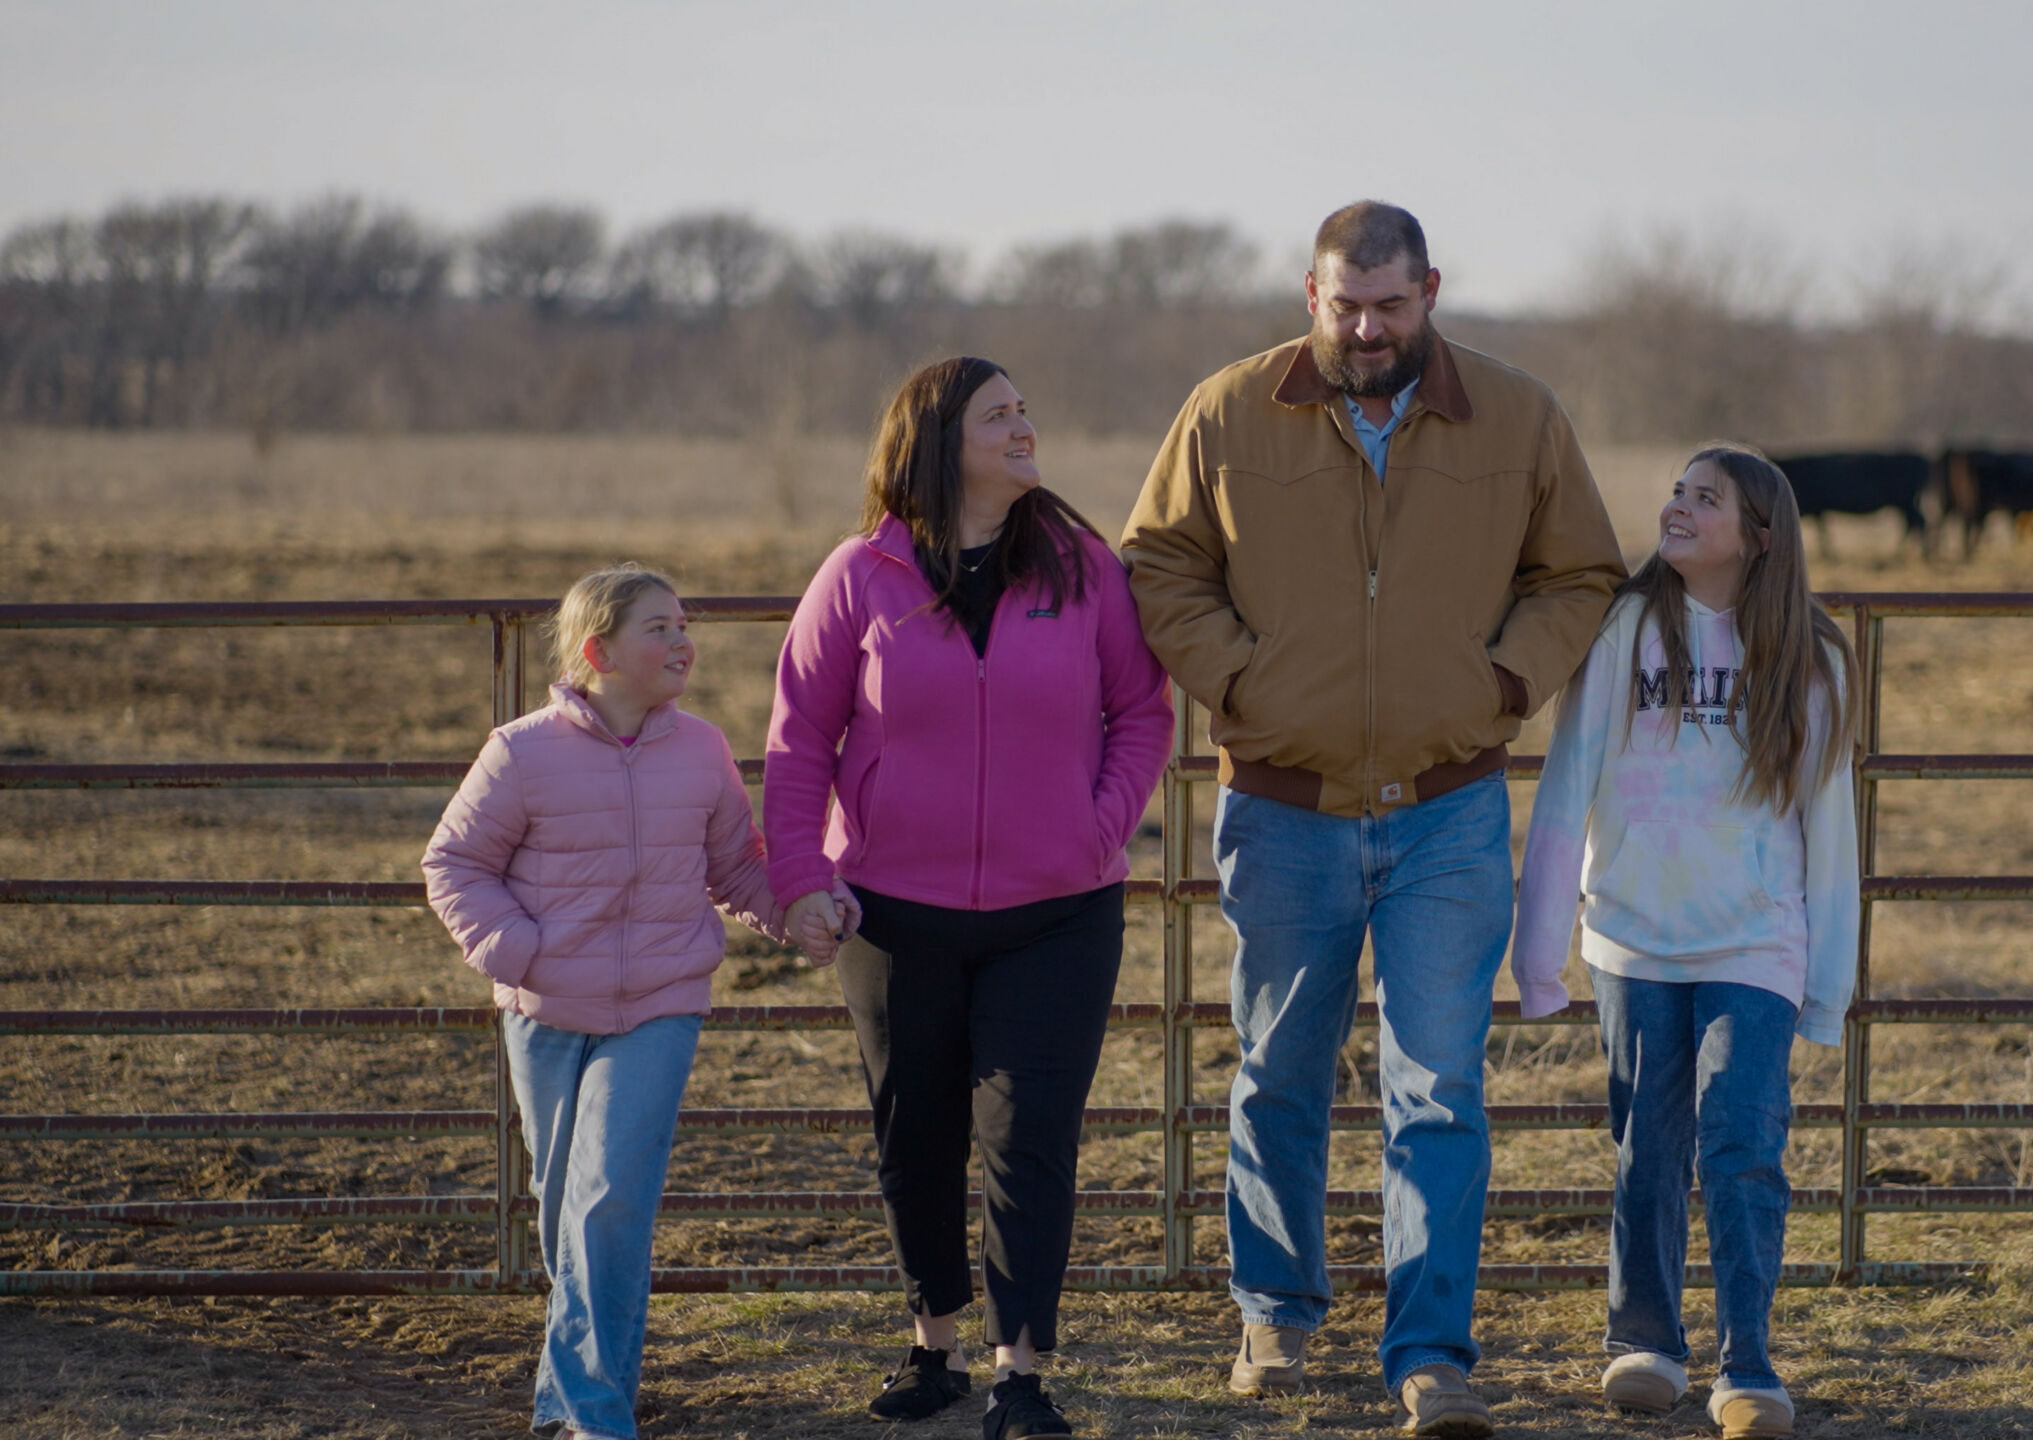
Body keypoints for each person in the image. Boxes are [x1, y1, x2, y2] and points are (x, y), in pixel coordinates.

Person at [1120, 201, 1625, 1437]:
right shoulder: (1227, 411)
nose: (1365, 329)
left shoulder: (1517, 414)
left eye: (1389, 306)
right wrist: (1244, 684)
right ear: (1309, 293)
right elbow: (1158, 564)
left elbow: (1580, 574)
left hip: (1449, 808)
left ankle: (1430, 1352)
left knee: (1439, 1089)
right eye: (1344, 305)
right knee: (1278, 1072)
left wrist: (1498, 686)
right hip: (1280, 808)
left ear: (1431, 292)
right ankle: (1276, 1315)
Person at [764, 357, 1174, 1440]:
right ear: (938, 442)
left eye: (1026, 409)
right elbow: (799, 740)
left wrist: (1098, 826)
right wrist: (801, 879)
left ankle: (1021, 1372)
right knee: (916, 1133)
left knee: (1028, 1136)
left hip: (1058, 913)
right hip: (894, 914)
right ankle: (933, 1345)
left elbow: (1142, 712)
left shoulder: (1084, 568)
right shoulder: (858, 575)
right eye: (1001, 415)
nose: (1025, 427)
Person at [1512, 446, 1858, 1439]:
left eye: (1704, 499)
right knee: (1646, 1146)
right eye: (1675, 491)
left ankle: (1746, 1363)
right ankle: (1647, 1343)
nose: (1677, 507)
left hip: (1755, 939)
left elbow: (1828, 825)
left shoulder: (1810, 655)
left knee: (1741, 1144)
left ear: (1757, 536)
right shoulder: (1625, 628)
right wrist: (1542, 952)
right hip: (1630, 937)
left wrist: (1826, 981)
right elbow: (1570, 778)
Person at [422, 564, 807, 1440]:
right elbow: (453, 865)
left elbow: (737, 868)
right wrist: (525, 954)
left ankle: (595, 1418)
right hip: (546, 1014)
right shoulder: (520, 752)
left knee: (610, 1201)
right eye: (659, 629)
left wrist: (802, 915)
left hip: (662, 1007)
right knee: (570, 1210)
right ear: (599, 651)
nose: (682, 642)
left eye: (683, 626)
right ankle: (580, 1403)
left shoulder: (703, 749)